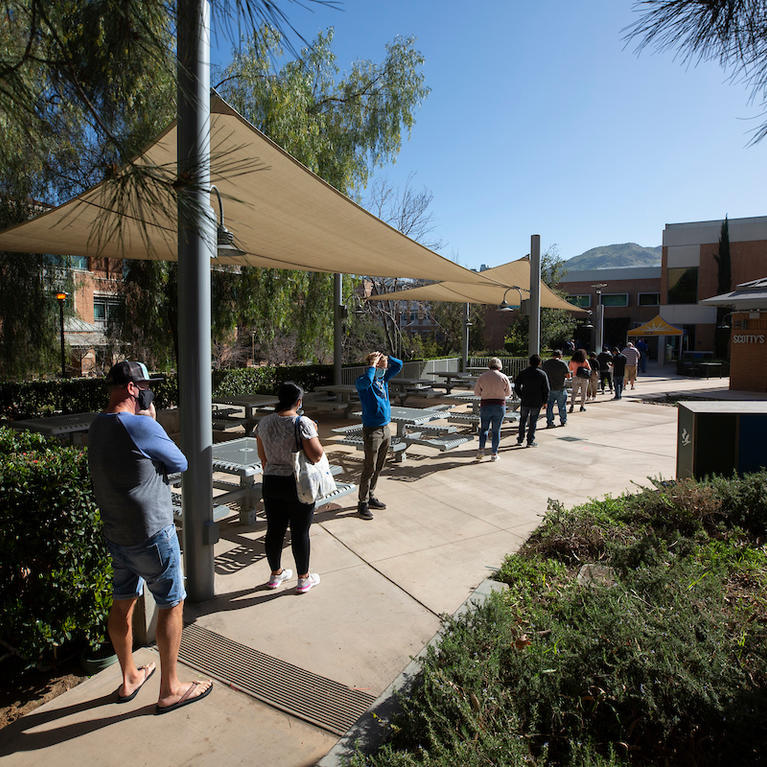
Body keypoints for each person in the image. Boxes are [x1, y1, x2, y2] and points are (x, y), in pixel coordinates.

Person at [88, 360, 213, 714]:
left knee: (122, 603)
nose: (148, 393)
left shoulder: (98, 425)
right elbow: (180, 462)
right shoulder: (140, 425)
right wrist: (153, 423)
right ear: (132, 389)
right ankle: (171, 688)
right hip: (152, 534)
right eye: (145, 387)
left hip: (116, 534)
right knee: (171, 603)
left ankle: (129, 677)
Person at [255, 381, 324, 594]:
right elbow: (317, 454)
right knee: (300, 532)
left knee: (274, 530)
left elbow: (262, 457)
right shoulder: (302, 422)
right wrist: (314, 431)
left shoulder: (263, 423)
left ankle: (276, 574)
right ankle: (304, 578)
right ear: (298, 401)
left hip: (271, 482)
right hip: (297, 484)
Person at [355, 351, 403, 520]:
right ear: (373, 367)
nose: (384, 370)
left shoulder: (383, 380)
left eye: (384, 367)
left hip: (385, 428)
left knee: (379, 466)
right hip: (372, 430)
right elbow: (368, 380)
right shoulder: (363, 382)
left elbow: (399, 365)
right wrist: (373, 365)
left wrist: (386, 356)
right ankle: (362, 503)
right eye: (381, 367)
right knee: (369, 467)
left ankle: (371, 495)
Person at [473, 357, 511, 461]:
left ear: (489, 365)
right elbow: (508, 393)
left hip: (485, 404)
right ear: (500, 366)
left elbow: (476, 392)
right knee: (496, 430)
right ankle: (494, 454)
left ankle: (481, 450)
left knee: (484, 429)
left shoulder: (482, 377)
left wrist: (484, 393)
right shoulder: (503, 377)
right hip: (499, 405)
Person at [514, 354, 550, 447]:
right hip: (537, 401)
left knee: (523, 420)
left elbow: (517, 385)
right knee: (533, 421)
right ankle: (530, 441)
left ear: (530, 362)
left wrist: (521, 395)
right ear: (539, 363)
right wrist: (545, 401)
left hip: (525, 399)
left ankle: (520, 439)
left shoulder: (523, 372)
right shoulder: (542, 374)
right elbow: (546, 389)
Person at [541, 350, 570, 428]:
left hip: (549, 388)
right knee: (562, 406)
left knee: (549, 406)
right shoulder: (563, 363)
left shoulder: (546, 363)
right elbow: (568, 376)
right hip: (560, 388)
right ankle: (563, 421)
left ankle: (550, 422)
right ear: (560, 356)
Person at [568, 348, 591, 413]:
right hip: (584, 378)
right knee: (583, 392)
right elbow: (589, 369)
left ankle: (572, 405)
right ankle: (582, 406)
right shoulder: (585, 360)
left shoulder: (572, 361)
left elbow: (570, 369)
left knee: (574, 392)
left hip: (575, 377)